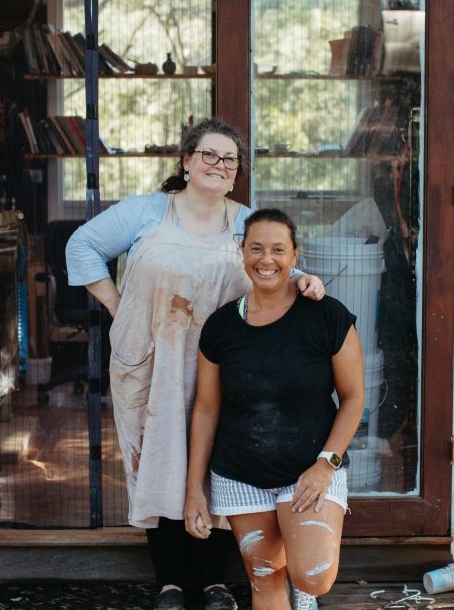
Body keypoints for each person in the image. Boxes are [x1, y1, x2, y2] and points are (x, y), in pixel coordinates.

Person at [65, 119, 326, 610]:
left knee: (219, 464)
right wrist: (120, 308)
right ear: (186, 161)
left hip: (225, 365)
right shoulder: (147, 211)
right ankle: (169, 581)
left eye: (228, 160)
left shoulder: (246, 222)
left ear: (236, 173)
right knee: (158, 462)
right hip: (152, 362)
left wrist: (308, 282)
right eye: (209, 155)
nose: (218, 165)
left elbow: (276, 262)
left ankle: (213, 580)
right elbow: (81, 246)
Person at [185, 208, 365, 610]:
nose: (267, 259)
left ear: (295, 254)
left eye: (278, 250)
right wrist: (194, 489)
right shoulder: (219, 327)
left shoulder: (327, 315)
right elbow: (206, 410)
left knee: (313, 576)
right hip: (240, 474)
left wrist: (326, 464)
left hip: (310, 470)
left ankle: (303, 592)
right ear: (242, 252)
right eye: (256, 248)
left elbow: (353, 398)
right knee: (265, 579)